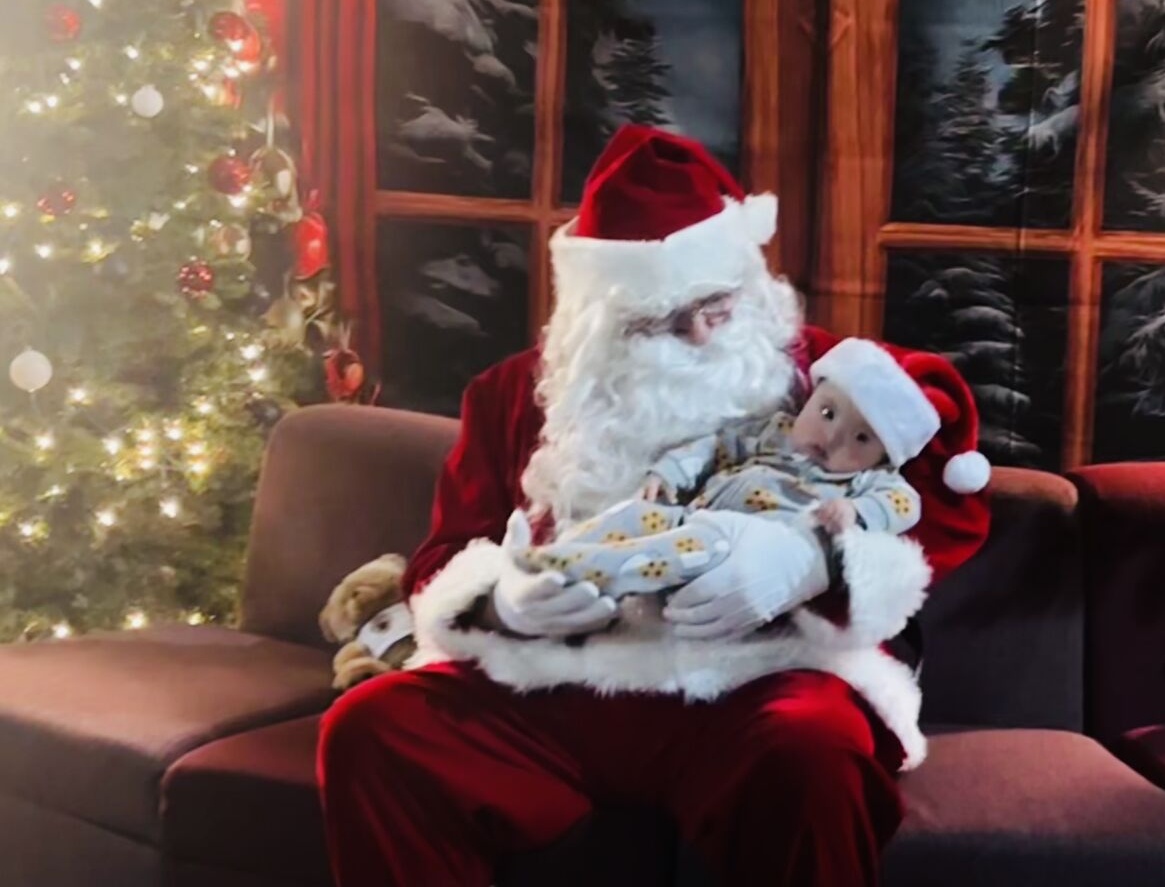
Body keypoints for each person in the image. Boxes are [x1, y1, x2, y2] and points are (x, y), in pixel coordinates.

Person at [317, 125, 992, 887]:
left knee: (812, 747)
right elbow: (442, 561)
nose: (698, 334)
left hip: (750, 683)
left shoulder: (826, 385)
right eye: (658, 318)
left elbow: (948, 487)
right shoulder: (512, 395)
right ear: (598, 314)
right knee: (372, 730)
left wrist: (808, 563)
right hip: (554, 688)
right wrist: (504, 605)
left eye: (716, 306)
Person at [512, 336, 989, 599]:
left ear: (883, 457)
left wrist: (855, 513)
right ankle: (553, 554)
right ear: (810, 398)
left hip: (743, 546)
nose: (833, 438)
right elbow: (713, 446)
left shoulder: (869, 481)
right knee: (635, 517)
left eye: (862, 439)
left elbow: (904, 504)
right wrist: (668, 474)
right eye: (827, 413)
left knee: (672, 551)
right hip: (694, 513)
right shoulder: (772, 432)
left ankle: (585, 575)